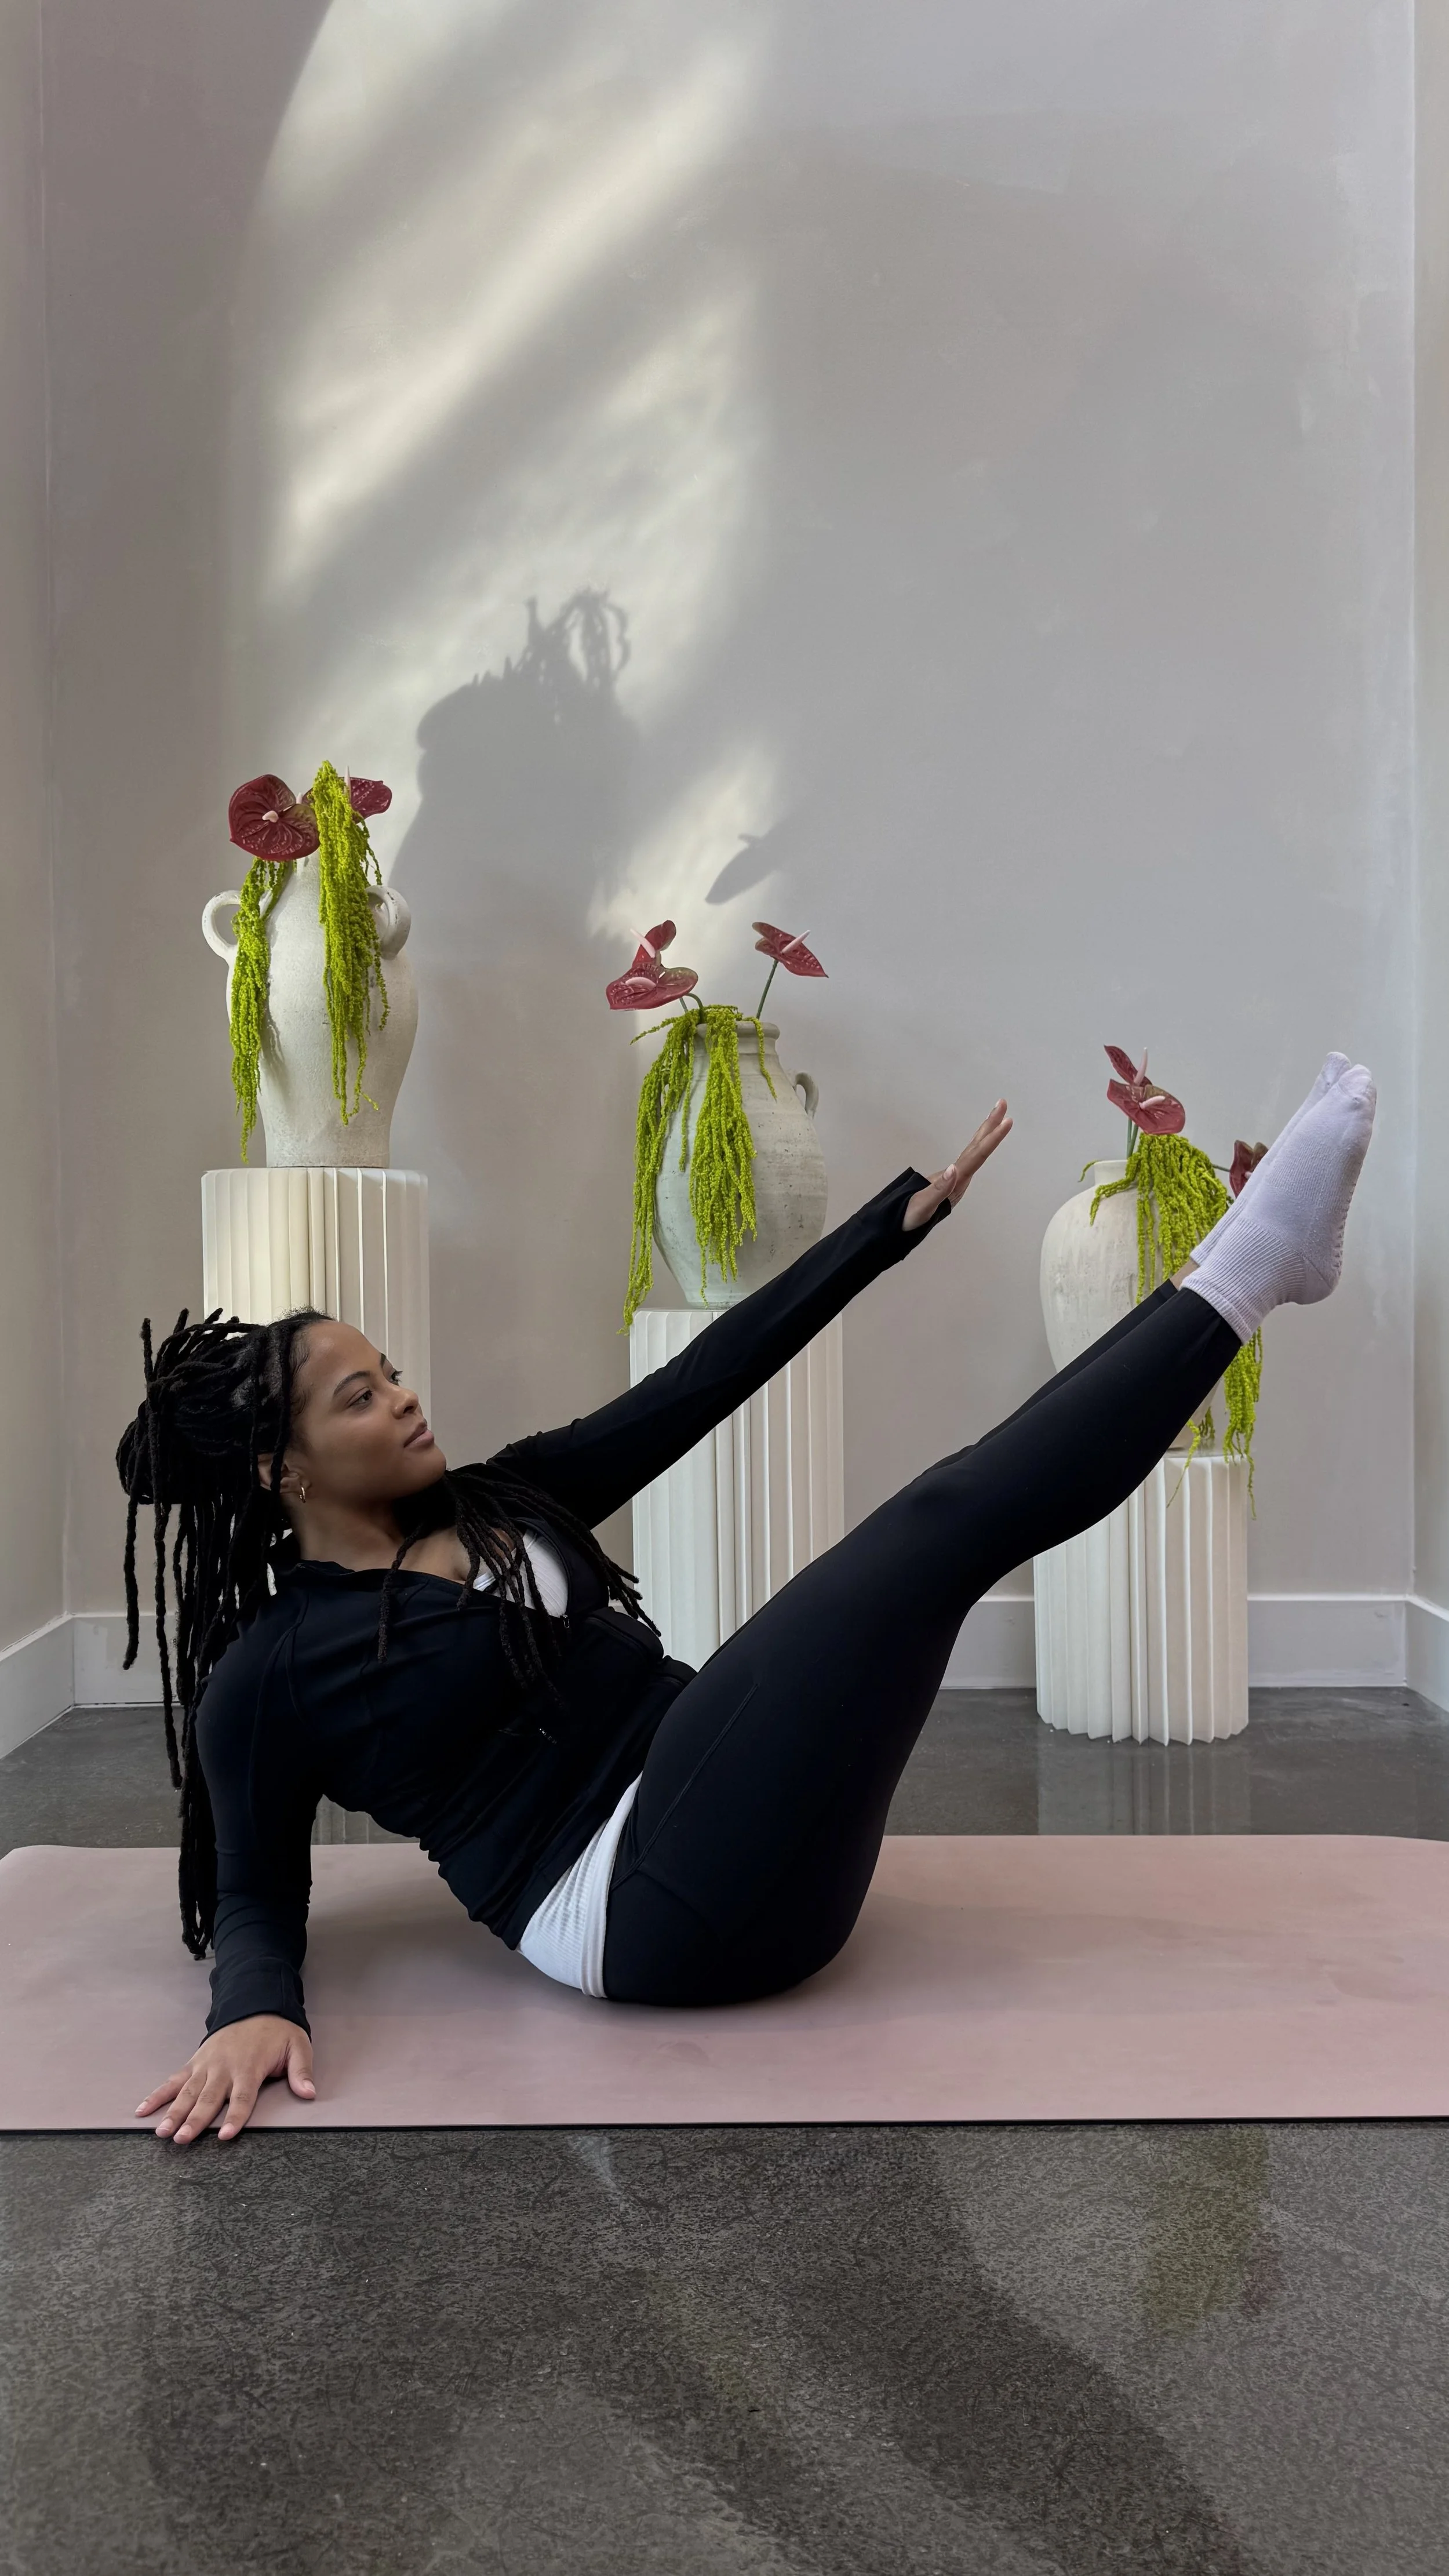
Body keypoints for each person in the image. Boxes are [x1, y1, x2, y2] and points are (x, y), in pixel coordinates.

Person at [122, 1056, 1375, 2145]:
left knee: (937, 1539)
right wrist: (253, 2008)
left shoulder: (500, 1498)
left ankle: (1238, 1268)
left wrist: (889, 1227)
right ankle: (1254, 1265)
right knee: (933, 1529)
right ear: (281, 1470)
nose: (402, 1396)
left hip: (756, 1850)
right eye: (358, 1396)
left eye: (389, 1370)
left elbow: (701, 1383)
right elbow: (251, 1888)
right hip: (634, 1909)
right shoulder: (273, 1667)